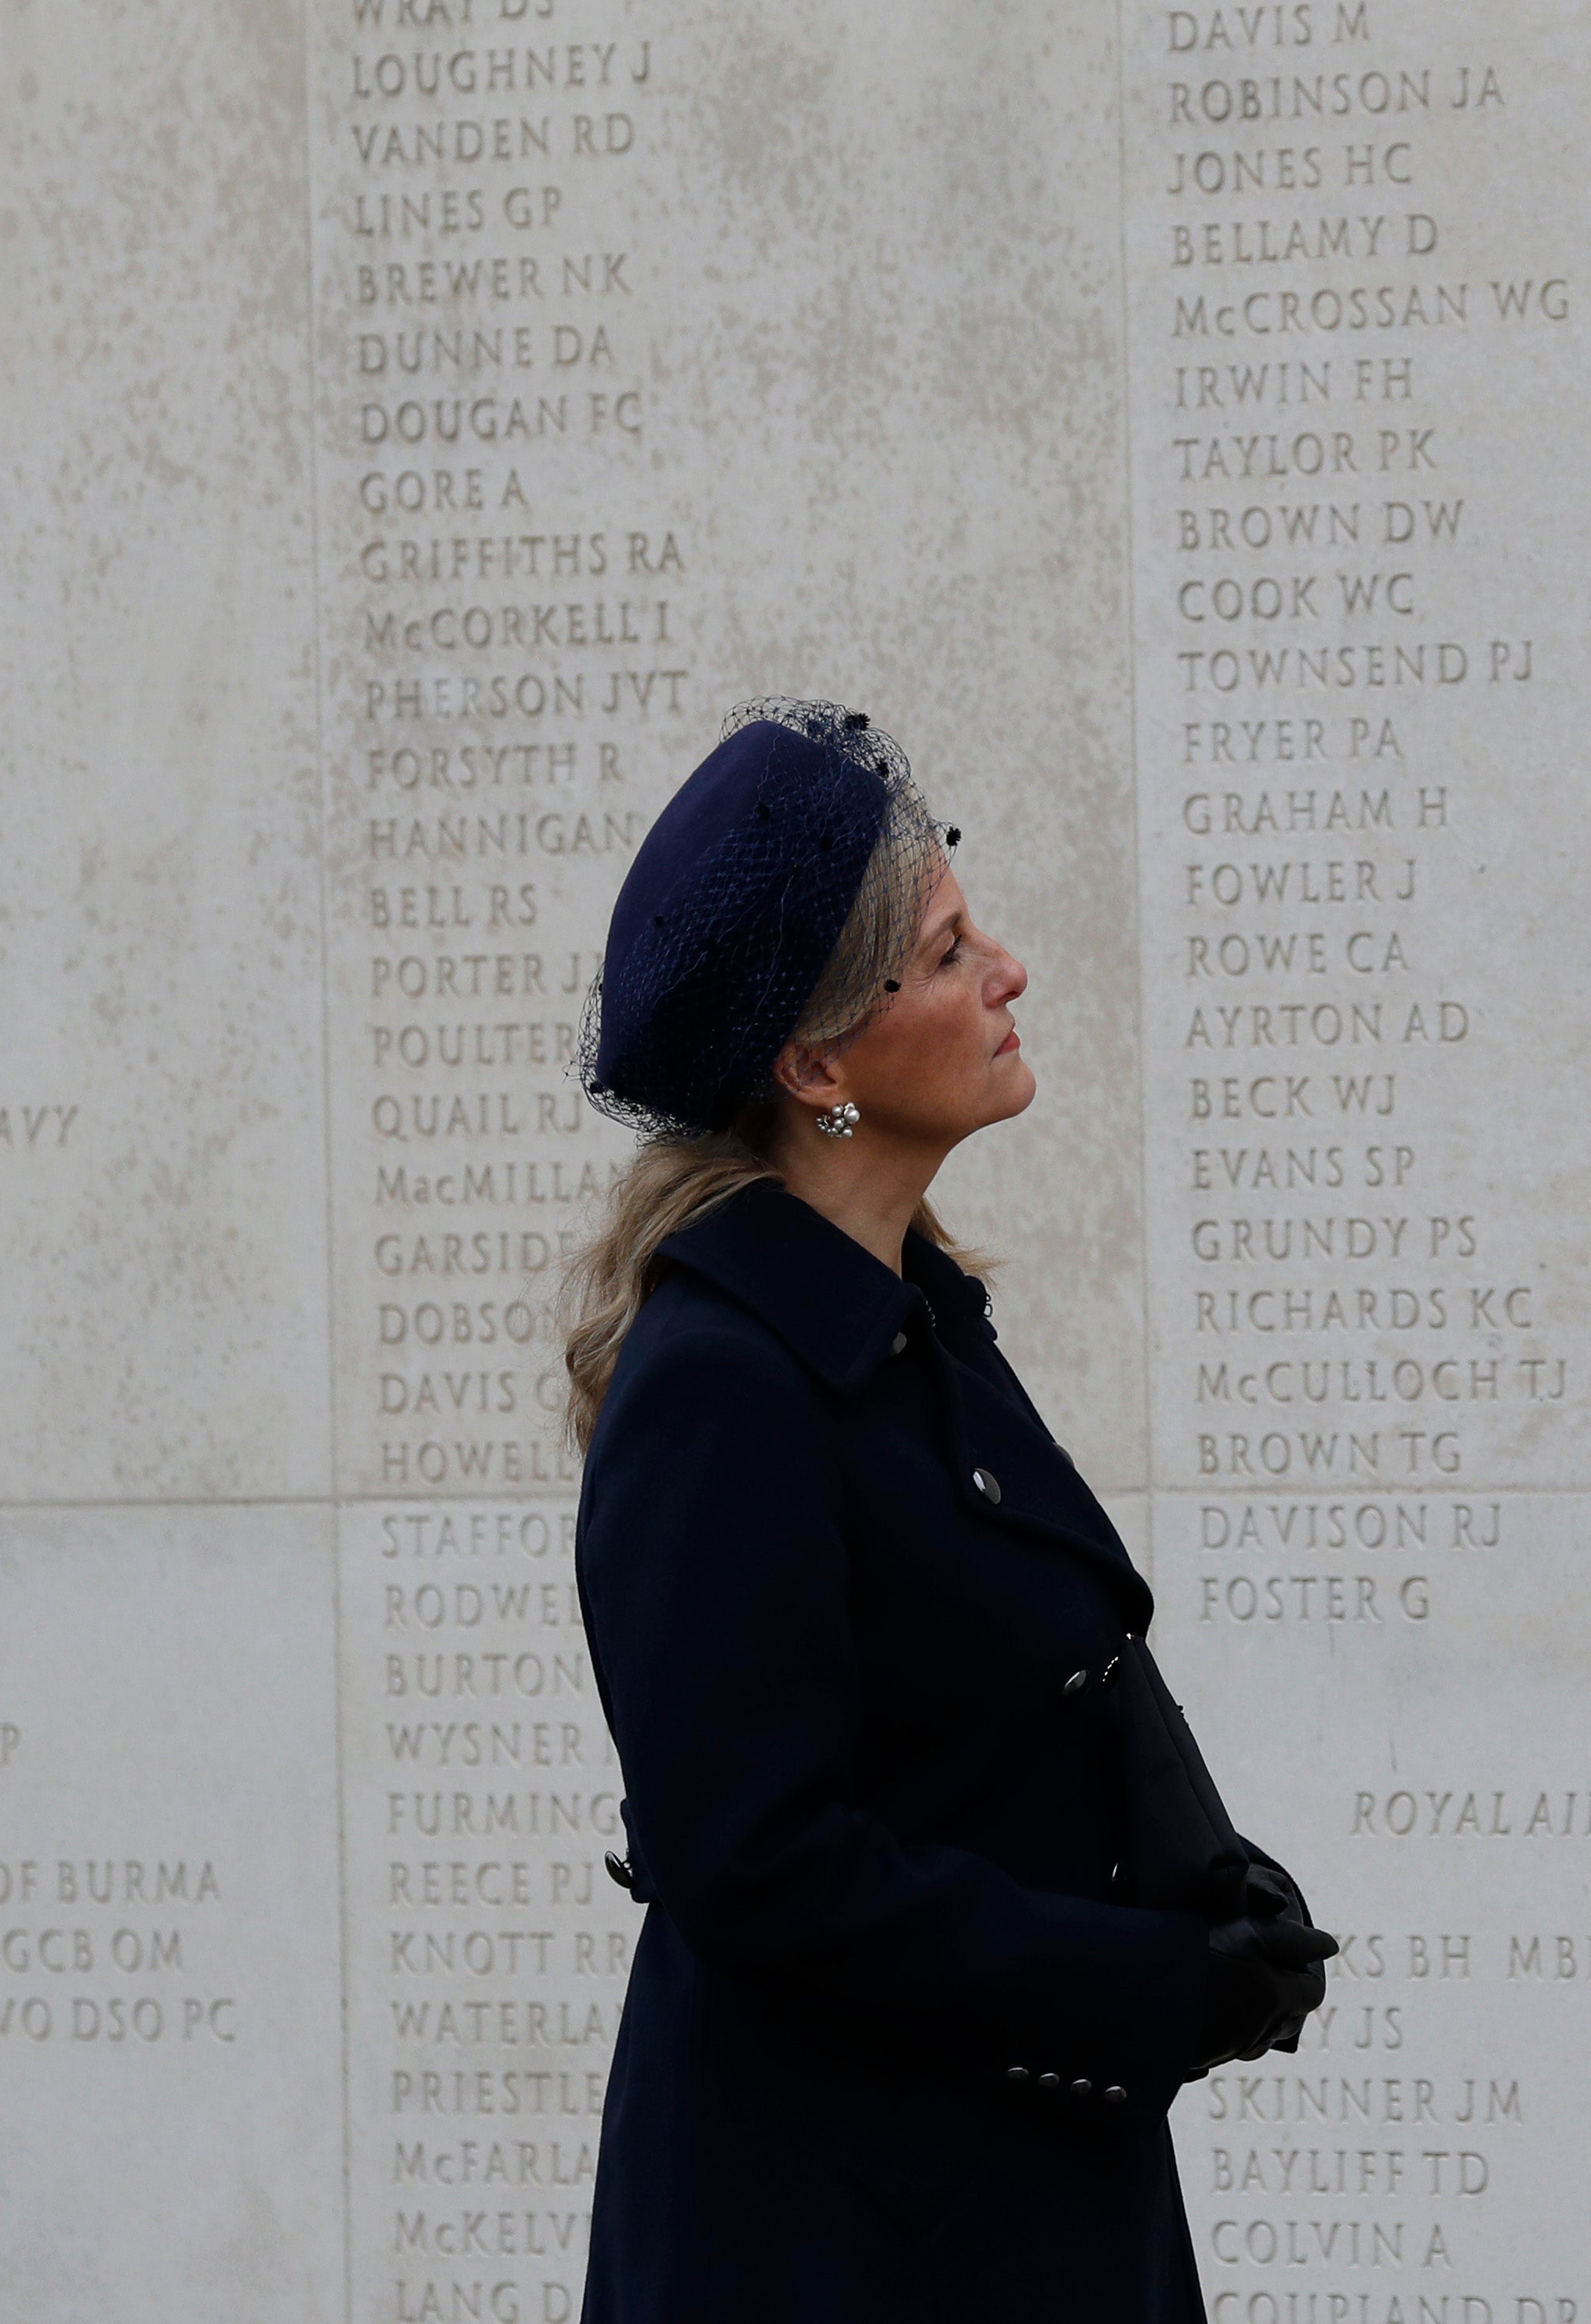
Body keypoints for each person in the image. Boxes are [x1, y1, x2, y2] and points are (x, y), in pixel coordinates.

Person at [559, 702, 1336, 2320]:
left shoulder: (907, 1316)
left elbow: (1003, 1716)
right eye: (947, 949)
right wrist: (1139, 1985)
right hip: (841, 2244)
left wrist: (1204, 1884)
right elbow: (758, 1865)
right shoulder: (727, 1381)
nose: (1010, 969)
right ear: (820, 1063)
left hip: (1000, 2199)